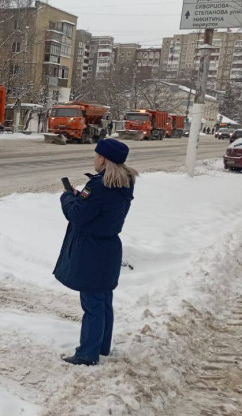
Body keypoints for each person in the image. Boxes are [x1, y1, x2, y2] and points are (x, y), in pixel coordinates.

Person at [53, 139, 138, 366]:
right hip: (108, 249)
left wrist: (68, 197)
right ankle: (102, 347)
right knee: (103, 301)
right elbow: (97, 208)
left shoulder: (99, 186)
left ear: (102, 159)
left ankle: (87, 354)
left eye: (96, 155)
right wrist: (81, 197)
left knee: (92, 304)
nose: (94, 159)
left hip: (91, 251)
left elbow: (78, 216)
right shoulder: (124, 183)